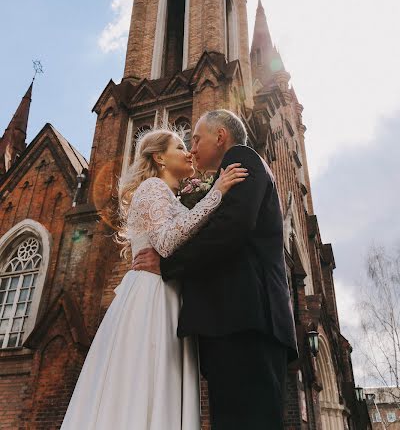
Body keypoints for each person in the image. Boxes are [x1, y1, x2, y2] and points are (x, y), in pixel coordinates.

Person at [60, 128, 247, 430]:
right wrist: (217, 194)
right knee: (145, 379)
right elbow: (165, 242)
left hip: (169, 293)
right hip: (152, 295)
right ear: (160, 157)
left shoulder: (170, 196)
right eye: (180, 145)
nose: (189, 152)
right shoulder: (153, 188)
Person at [133, 110, 299, 430]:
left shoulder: (240, 159)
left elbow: (231, 228)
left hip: (246, 321)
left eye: (195, 139)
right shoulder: (223, 176)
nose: (192, 149)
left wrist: (168, 264)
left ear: (220, 137)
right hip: (236, 323)